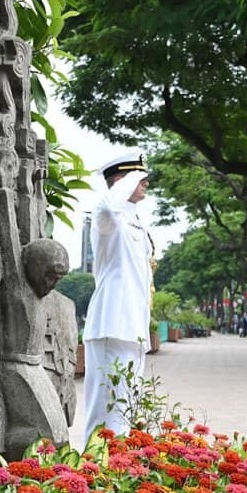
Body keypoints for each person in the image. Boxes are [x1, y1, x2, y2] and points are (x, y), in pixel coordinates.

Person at [81, 152, 153, 443]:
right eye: (139, 177)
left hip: (133, 326)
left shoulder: (135, 222)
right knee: (105, 411)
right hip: (112, 324)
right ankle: (94, 470)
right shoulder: (109, 220)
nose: (146, 182)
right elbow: (108, 209)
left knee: (125, 409)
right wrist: (125, 183)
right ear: (120, 181)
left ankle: (118, 471)